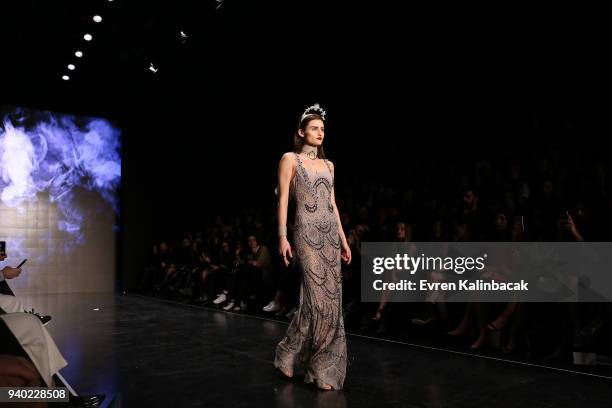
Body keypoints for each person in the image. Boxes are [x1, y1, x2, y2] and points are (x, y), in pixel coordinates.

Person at [274, 104, 352, 391]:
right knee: (317, 302)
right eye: (315, 128)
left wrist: (344, 240)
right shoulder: (290, 159)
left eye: (323, 129)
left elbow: (332, 205)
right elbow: (282, 200)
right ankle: (301, 357)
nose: (320, 133)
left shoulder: (329, 165)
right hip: (305, 234)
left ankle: (301, 359)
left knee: (328, 303)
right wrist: (282, 237)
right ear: (301, 131)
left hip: (330, 236)